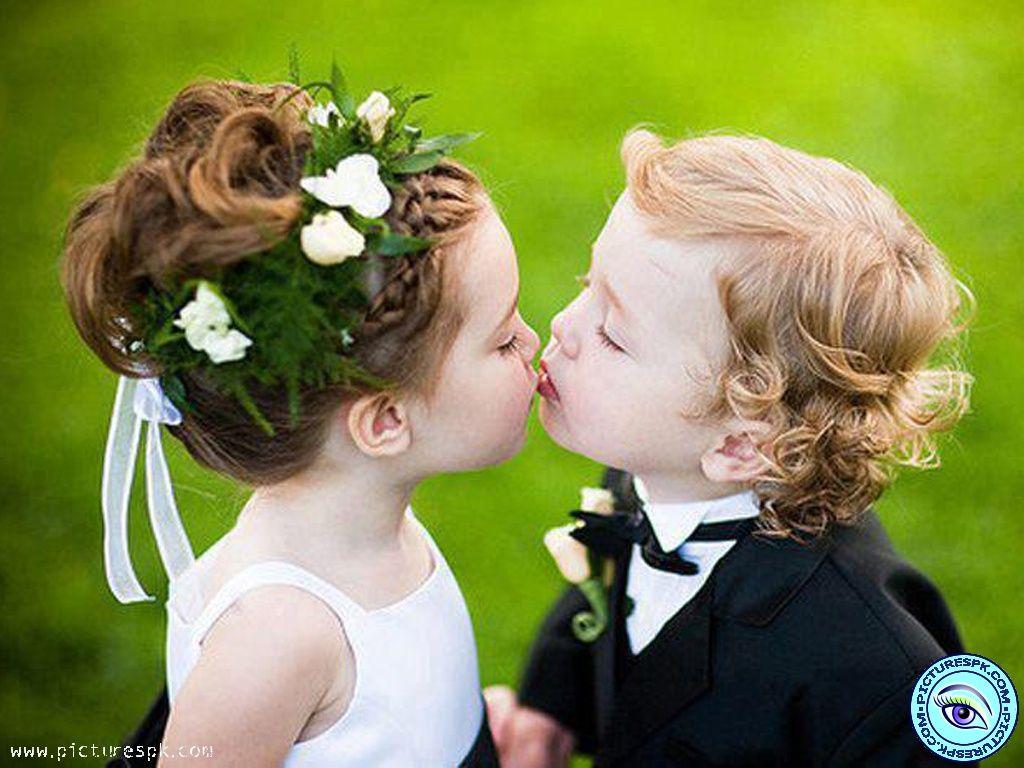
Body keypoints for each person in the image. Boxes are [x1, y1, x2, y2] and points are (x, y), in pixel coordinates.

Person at [61, 75, 539, 766]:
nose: (534, 341)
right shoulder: (276, 639)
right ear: (382, 423)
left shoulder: (369, 530)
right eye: (502, 338)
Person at [488, 130, 975, 767]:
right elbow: (604, 595)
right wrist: (549, 707)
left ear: (741, 445)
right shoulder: (655, 477)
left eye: (612, 333)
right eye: (589, 280)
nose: (563, 324)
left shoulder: (872, 671)